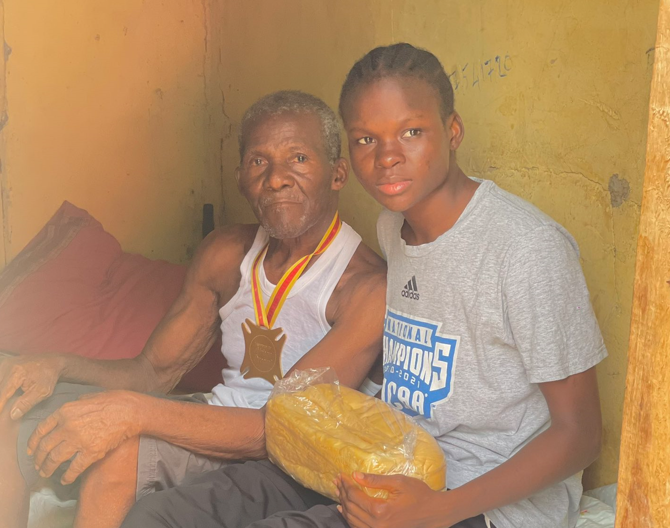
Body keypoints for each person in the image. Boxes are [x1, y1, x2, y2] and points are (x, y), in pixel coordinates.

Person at [121, 43, 606, 528]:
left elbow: (580, 434)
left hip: (481, 502)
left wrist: (438, 510)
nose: (388, 157)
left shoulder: (525, 249)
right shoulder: (392, 228)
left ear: (453, 131)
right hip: (376, 464)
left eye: (411, 132)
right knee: (160, 515)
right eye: (366, 140)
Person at [0, 90, 386, 528]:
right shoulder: (225, 254)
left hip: (284, 452)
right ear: (241, 176)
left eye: (298, 158)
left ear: (337, 174)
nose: (277, 178)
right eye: (260, 161)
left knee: (122, 452)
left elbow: (280, 429)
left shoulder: (365, 289)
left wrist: (132, 413)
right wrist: (57, 364)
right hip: (212, 414)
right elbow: (151, 373)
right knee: (8, 407)